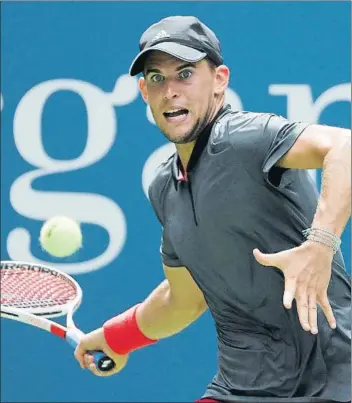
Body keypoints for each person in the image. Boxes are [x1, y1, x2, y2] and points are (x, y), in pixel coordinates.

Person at [74, 16, 351, 402]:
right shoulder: (164, 187)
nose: (170, 91)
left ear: (219, 79)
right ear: (143, 91)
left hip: (329, 379)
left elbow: (345, 147)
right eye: (156, 78)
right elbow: (183, 298)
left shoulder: (245, 137)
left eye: (185, 74)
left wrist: (320, 244)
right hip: (241, 385)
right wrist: (117, 337)